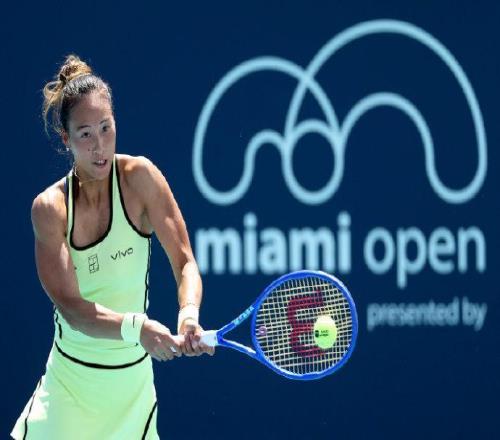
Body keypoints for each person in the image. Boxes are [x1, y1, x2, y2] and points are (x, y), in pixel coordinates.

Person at [11, 54, 213, 439]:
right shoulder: (50, 210)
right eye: (85, 134)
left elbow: (185, 262)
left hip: (133, 396)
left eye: (106, 127)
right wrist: (138, 328)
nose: (99, 145)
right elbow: (72, 309)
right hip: (70, 393)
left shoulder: (141, 179)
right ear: (66, 140)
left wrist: (188, 314)